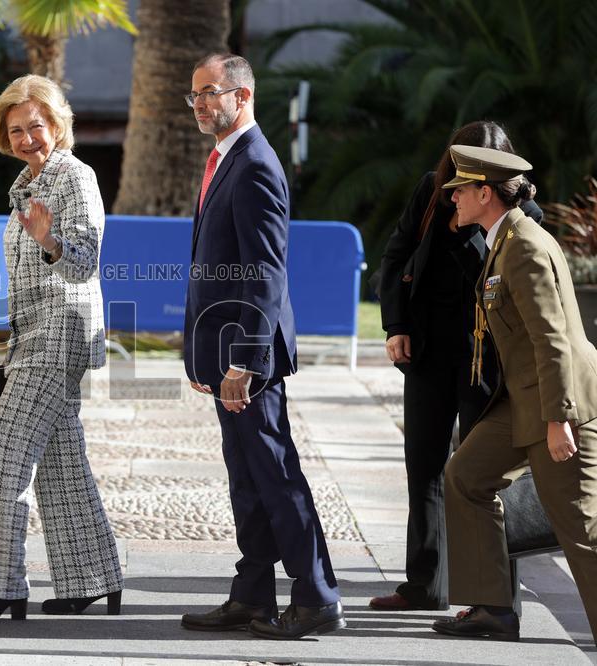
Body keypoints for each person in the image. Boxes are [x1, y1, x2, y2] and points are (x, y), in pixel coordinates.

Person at [179, 53, 344, 640]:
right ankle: (251, 595)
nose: (199, 103)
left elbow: (265, 273)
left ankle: (317, 596)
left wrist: (243, 360)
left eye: (209, 92)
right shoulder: (226, 158)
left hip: (247, 359)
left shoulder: (254, 164)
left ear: (242, 96)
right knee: (247, 478)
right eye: (194, 94)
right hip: (225, 350)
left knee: (275, 475)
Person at [0, 74, 123, 622]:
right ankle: (93, 578)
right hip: (34, 336)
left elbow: (85, 260)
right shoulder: (28, 183)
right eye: (17, 129)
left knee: (2, 455)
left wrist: (50, 239)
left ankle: (1, 586)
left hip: (63, 335)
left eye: (37, 126)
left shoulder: (75, 176)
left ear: (58, 125)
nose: (28, 137)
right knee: (60, 463)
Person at [371, 122, 544, 611]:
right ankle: (424, 584)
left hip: (486, 362)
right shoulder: (433, 191)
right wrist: (396, 325)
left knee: (481, 479)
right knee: (422, 467)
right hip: (428, 351)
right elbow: (397, 253)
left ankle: (486, 595)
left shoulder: (521, 215)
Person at [432, 145, 597, 642]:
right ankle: (494, 610)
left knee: (581, 529)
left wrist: (558, 419)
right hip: (525, 398)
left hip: (558, 401)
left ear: (485, 193)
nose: (453, 199)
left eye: (459, 191)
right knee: (466, 474)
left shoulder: (523, 245)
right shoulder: (503, 239)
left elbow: (553, 340)